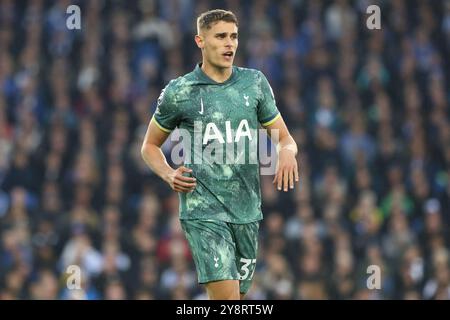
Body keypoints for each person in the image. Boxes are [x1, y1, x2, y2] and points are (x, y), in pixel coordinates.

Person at [141, 9, 299, 300]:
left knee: (236, 298)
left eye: (234, 36)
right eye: (221, 36)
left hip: (247, 210)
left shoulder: (254, 83)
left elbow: (285, 138)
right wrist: (168, 173)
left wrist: (287, 152)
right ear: (200, 41)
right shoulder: (181, 91)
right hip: (203, 210)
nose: (230, 44)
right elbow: (149, 146)